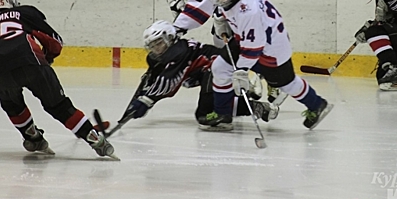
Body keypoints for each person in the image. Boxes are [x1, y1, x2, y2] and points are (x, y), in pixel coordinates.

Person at [0, 0, 117, 159]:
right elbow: (54, 41)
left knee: (12, 105)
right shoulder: (24, 12)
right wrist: (47, 59)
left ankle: (32, 138)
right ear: (14, 2)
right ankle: (95, 140)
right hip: (31, 63)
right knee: (58, 106)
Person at [200, 0, 334, 131]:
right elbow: (227, 12)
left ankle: (317, 104)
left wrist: (241, 71)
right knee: (220, 67)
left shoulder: (248, 12)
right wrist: (221, 21)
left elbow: (254, 48)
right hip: (249, 41)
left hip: (272, 51)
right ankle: (223, 114)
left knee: (287, 84)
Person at [116, 20, 278, 132]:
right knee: (208, 110)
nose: (156, 49)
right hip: (208, 71)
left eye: (159, 43)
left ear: (170, 37)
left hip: (216, 67)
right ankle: (249, 101)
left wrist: (146, 100)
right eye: (152, 46)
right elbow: (152, 80)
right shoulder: (161, 57)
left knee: (204, 115)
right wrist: (140, 100)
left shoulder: (178, 51)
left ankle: (248, 105)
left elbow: (170, 82)